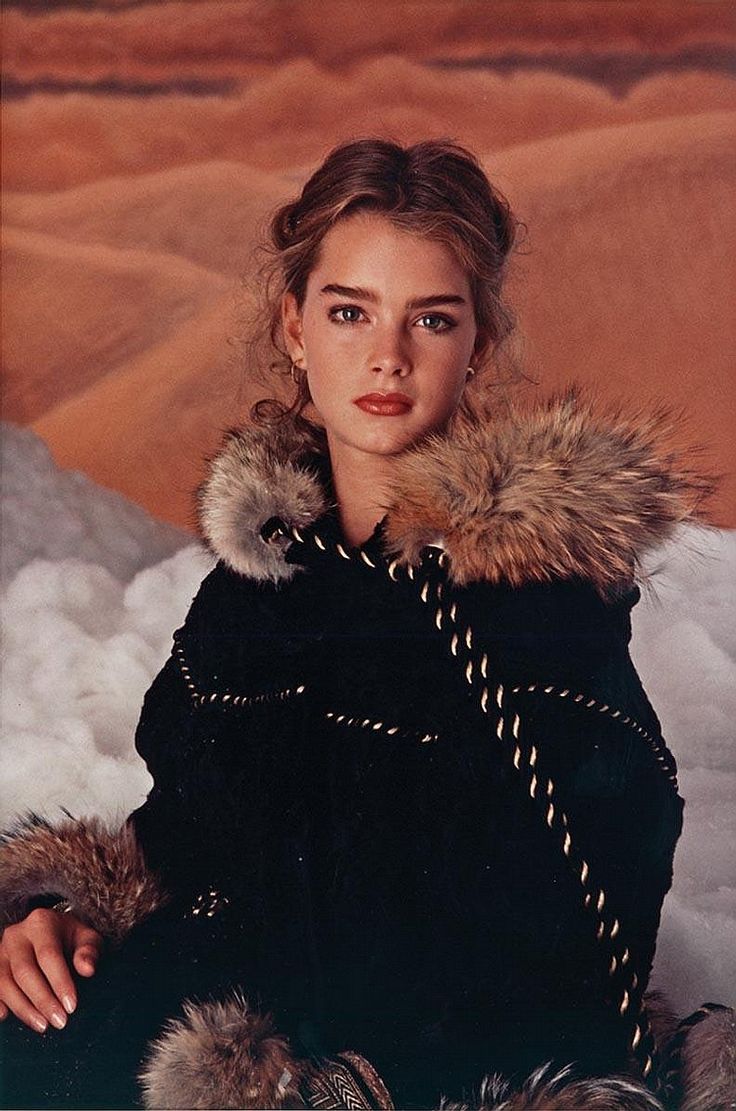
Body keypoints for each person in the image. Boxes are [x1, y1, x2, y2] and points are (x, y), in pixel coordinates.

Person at [0, 139, 727, 1111]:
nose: (388, 355)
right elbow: (183, 838)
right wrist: (61, 919)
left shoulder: (529, 602)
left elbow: (586, 927)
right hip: (179, 1024)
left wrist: (362, 1087)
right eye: (350, 311)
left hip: (397, 1074)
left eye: (432, 318)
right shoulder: (258, 583)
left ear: (478, 344)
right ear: (295, 327)